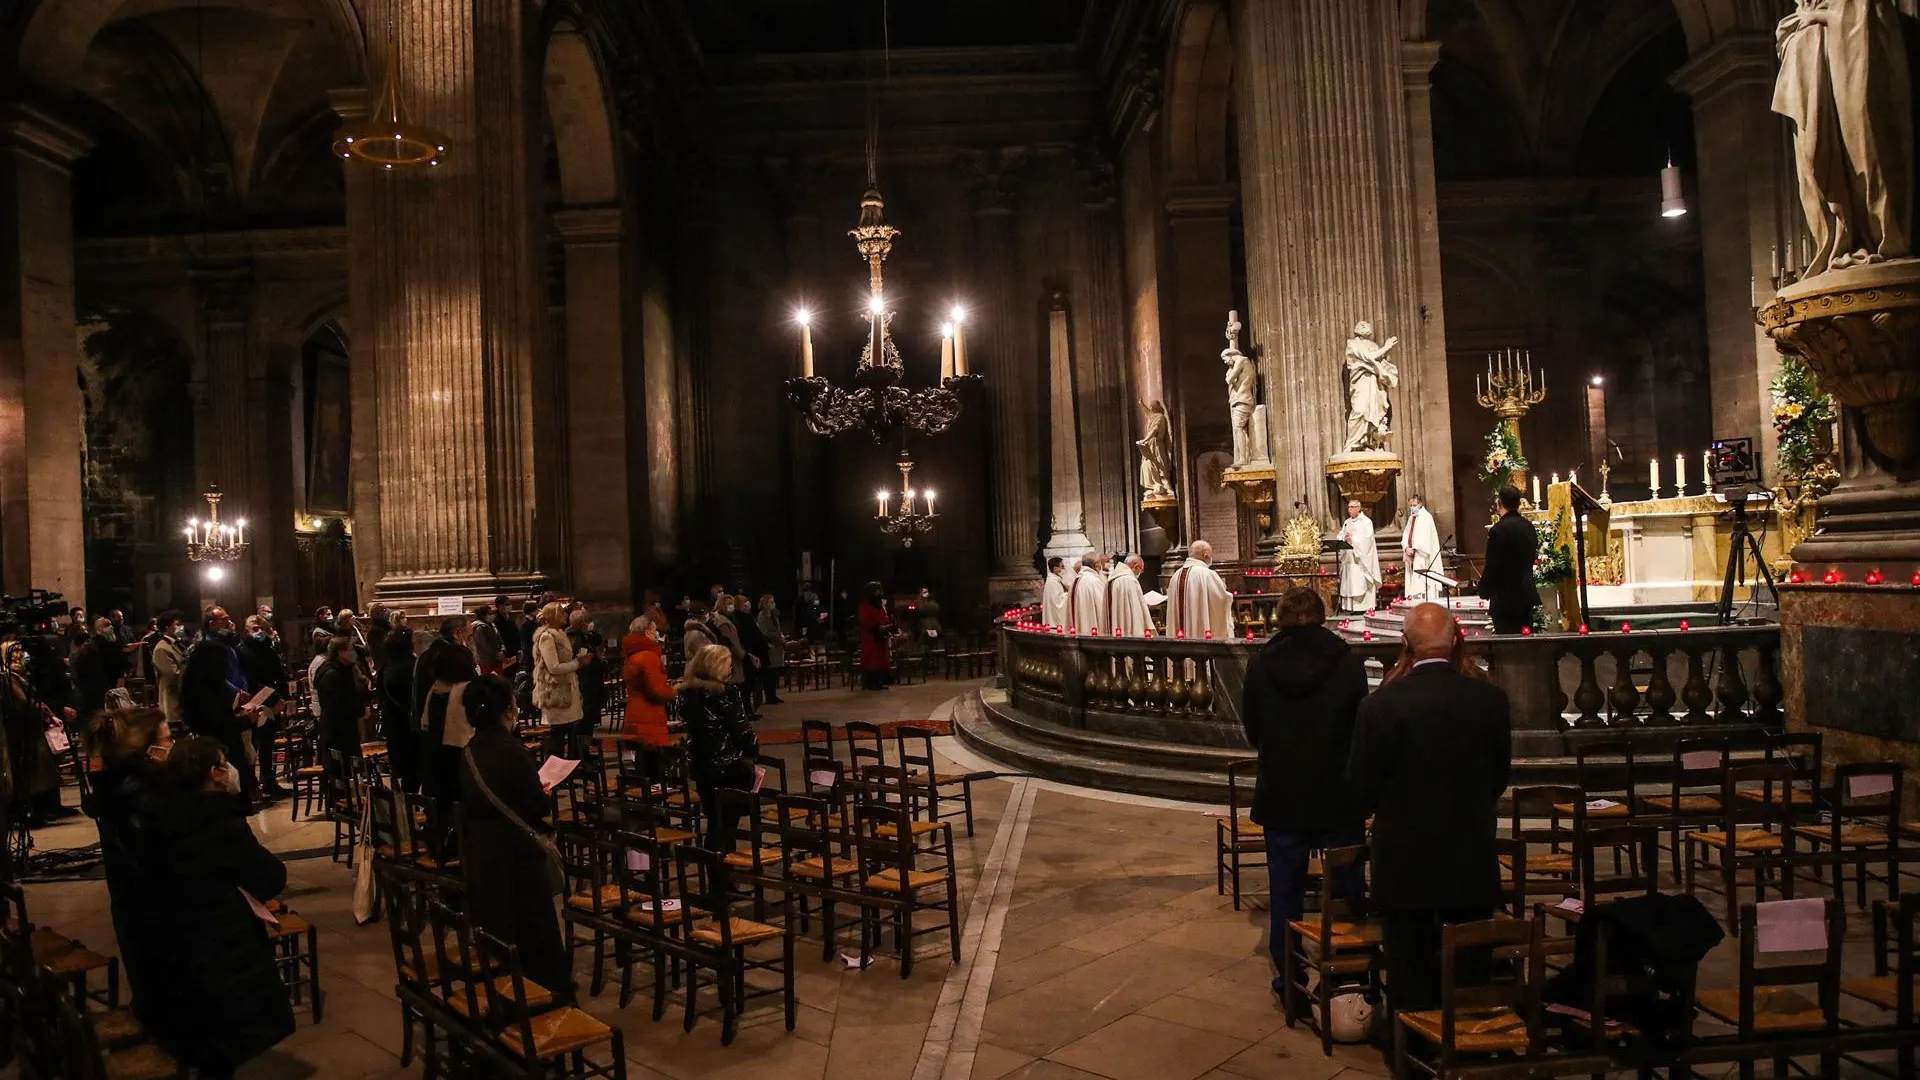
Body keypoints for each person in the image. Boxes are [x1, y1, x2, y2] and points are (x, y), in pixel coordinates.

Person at [1346, 602, 1512, 1015]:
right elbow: (1498, 776)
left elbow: (1361, 789)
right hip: (1469, 854)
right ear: (1457, 640)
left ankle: (1413, 1052)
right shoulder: (1489, 700)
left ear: (1404, 645)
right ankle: (1471, 1049)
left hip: (1404, 861)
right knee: (1471, 967)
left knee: (1408, 966)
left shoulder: (1380, 707)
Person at [137, 736, 295, 1078]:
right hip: (220, 943)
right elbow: (269, 878)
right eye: (225, 765)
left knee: (198, 1038)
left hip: (176, 943)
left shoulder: (155, 817)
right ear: (215, 774)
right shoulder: (220, 824)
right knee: (222, 1045)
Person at [1240, 588, 1369, 998]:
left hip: (1283, 793)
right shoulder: (1346, 662)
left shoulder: (1262, 664)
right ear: (1322, 614)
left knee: (1286, 891)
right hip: (1338, 794)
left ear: (1280, 617)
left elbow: (1253, 730)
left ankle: (1290, 978)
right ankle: (1349, 974)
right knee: (1347, 888)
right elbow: (1360, 725)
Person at [458, 675, 571, 1000]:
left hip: (481, 849)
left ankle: (502, 996)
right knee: (533, 932)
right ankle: (540, 1000)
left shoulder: (469, 750)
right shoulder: (511, 750)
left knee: (497, 929)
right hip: (515, 853)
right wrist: (541, 791)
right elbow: (535, 804)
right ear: (507, 709)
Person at [88, 707, 169, 1015]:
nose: (173, 746)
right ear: (148, 750)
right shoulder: (140, 795)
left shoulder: (117, 787)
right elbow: (157, 852)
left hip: (132, 901)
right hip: (151, 903)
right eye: (168, 738)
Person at [178, 607, 263, 807]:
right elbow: (219, 724)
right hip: (219, 748)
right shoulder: (205, 689)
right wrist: (244, 720)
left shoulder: (210, 679)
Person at [677, 644, 758, 850]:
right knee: (727, 826)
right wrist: (753, 749)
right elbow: (741, 731)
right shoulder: (726, 694)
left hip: (703, 767)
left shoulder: (688, 694)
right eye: (729, 665)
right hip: (728, 768)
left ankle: (716, 873)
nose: (731, 670)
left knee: (714, 823)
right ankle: (722, 875)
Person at [237, 615, 290, 799]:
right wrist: (271, 696)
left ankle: (269, 780)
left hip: (272, 701)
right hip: (256, 702)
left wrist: (280, 696)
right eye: (254, 628)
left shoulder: (268, 647)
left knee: (268, 743)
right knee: (253, 745)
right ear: (247, 630)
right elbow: (251, 679)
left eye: (261, 628)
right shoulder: (243, 651)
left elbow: (277, 671)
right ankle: (252, 785)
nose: (258, 632)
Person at [1479, 485, 1540, 634]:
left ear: (1499, 504)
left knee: (1506, 646)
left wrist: (1484, 589)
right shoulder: (1529, 527)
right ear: (1519, 503)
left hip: (1504, 599)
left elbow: (1494, 565)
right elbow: (1532, 556)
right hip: (1525, 595)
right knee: (1525, 644)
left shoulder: (1498, 530)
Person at [531, 602, 588, 758]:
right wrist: (577, 663)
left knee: (571, 734)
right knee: (557, 738)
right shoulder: (547, 637)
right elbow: (553, 667)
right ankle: (557, 776)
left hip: (567, 687)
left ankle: (569, 771)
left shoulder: (560, 634)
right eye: (562, 612)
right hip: (555, 690)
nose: (565, 615)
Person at [621, 615, 673, 776]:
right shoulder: (648, 656)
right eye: (654, 631)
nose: (656, 635)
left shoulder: (632, 655)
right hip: (649, 715)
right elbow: (656, 690)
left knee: (642, 762)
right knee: (653, 765)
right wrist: (673, 691)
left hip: (635, 711)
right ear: (647, 631)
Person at [313, 634, 366, 785]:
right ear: (340, 652)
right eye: (350, 649)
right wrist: (358, 709)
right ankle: (342, 802)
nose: (353, 653)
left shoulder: (342, 670)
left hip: (344, 728)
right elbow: (338, 704)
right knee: (340, 772)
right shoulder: (331, 674)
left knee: (349, 771)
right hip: (337, 731)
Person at [377, 616, 420, 792]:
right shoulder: (413, 666)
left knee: (404, 775)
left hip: (394, 726)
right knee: (414, 773)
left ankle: (406, 812)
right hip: (409, 726)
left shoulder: (385, 667)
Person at [1166, 540, 1233, 639]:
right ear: (1205, 555)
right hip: (1202, 639)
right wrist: (1229, 596)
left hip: (1178, 645)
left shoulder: (1175, 576)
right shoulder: (1207, 575)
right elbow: (1220, 600)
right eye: (1210, 555)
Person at [70, 616, 128, 720]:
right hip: (97, 690)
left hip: (111, 686)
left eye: (110, 624)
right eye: (106, 625)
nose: (110, 627)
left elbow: (121, 663)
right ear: (98, 629)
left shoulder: (114, 642)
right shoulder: (92, 646)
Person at [1336, 499, 1382, 613]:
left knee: (1360, 580)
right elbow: (1340, 535)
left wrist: (1353, 539)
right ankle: (1349, 607)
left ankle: (1363, 607)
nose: (1349, 510)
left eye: (1352, 507)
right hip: (1349, 558)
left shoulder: (1366, 522)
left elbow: (1367, 539)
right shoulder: (1347, 522)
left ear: (1358, 508)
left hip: (1360, 559)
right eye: (1348, 507)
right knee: (1350, 581)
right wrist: (1344, 538)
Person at [568, 606, 608, 734]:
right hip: (584, 680)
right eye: (586, 622)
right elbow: (581, 659)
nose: (589, 624)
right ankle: (580, 749)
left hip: (592, 679)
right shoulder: (573, 638)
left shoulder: (587, 636)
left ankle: (585, 746)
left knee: (590, 716)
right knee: (584, 717)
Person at [1402, 494, 1444, 602]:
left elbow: (1425, 538)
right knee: (1414, 582)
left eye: (1414, 505)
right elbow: (1406, 533)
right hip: (1412, 554)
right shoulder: (1412, 517)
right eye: (1410, 505)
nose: (1412, 508)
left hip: (1422, 556)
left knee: (1422, 583)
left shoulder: (1426, 517)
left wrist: (1415, 548)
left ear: (1420, 504)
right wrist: (1406, 547)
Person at [856, 582, 894, 691]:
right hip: (871, 637)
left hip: (881, 637)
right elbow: (864, 620)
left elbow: (884, 618)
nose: (878, 593)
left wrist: (887, 625)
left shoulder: (879, 606)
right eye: (876, 591)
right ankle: (870, 682)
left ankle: (880, 681)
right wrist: (876, 627)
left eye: (879, 590)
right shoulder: (865, 606)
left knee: (881, 660)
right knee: (871, 660)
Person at [150, 612, 186, 724]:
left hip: (181, 698)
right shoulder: (161, 648)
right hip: (172, 700)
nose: (180, 627)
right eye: (176, 624)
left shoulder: (176, 644)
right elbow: (174, 675)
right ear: (167, 627)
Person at [1107, 554, 1153, 638]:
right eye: (1141, 570)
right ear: (1136, 567)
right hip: (1128, 630)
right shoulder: (1130, 581)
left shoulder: (1111, 579)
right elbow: (1136, 611)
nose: (1140, 573)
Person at [755, 595, 787, 705]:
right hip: (770, 646)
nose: (773, 603)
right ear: (765, 603)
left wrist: (781, 636)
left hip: (777, 646)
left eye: (773, 601)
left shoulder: (774, 614)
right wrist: (777, 635)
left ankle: (773, 695)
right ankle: (769, 696)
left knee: (775, 673)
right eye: (770, 602)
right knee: (769, 673)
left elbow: (778, 628)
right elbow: (764, 632)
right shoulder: (762, 616)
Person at [1067, 553, 1108, 635]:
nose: (1102, 566)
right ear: (1096, 565)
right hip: (1092, 628)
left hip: (1078, 629)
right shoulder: (1094, 581)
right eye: (1101, 563)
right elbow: (1102, 608)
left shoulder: (1077, 579)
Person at [470, 606, 507, 676]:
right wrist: (497, 654)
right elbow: (485, 645)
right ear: (483, 616)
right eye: (489, 614)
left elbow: (499, 639)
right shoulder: (480, 628)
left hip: (496, 660)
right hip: (487, 661)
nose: (492, 615)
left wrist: (503, 651)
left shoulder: (492, 625)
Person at [492, 594, 522, 669]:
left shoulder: (511, 618)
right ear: (499, 606)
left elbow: (516, 635)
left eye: (510, 604)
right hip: (504, 655)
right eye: (507, 604)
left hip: (514, 654)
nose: (509, 606)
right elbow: (497, 638)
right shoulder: (496, 621)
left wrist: (519, 649)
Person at [1041, 557, 1069, 628]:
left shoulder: (1056, 580)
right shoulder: (1052, 582)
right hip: (1055, 624)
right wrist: (1069, 594)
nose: (1064, 569)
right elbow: (1057, 602)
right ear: (1055, 569)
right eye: (1062, 566)